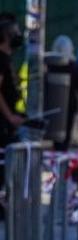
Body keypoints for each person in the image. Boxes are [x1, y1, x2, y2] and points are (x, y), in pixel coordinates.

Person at [45, 36, 78, 150]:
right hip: (69, 103)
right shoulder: (73, 65)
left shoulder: (49, 64)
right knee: (66, 132)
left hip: (51, 103)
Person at [0, 19, 24, 147]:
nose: (18, 36)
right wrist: (9, 116)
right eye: (15, 33)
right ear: (6, 36)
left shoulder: (7, 59)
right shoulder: (2, 59)